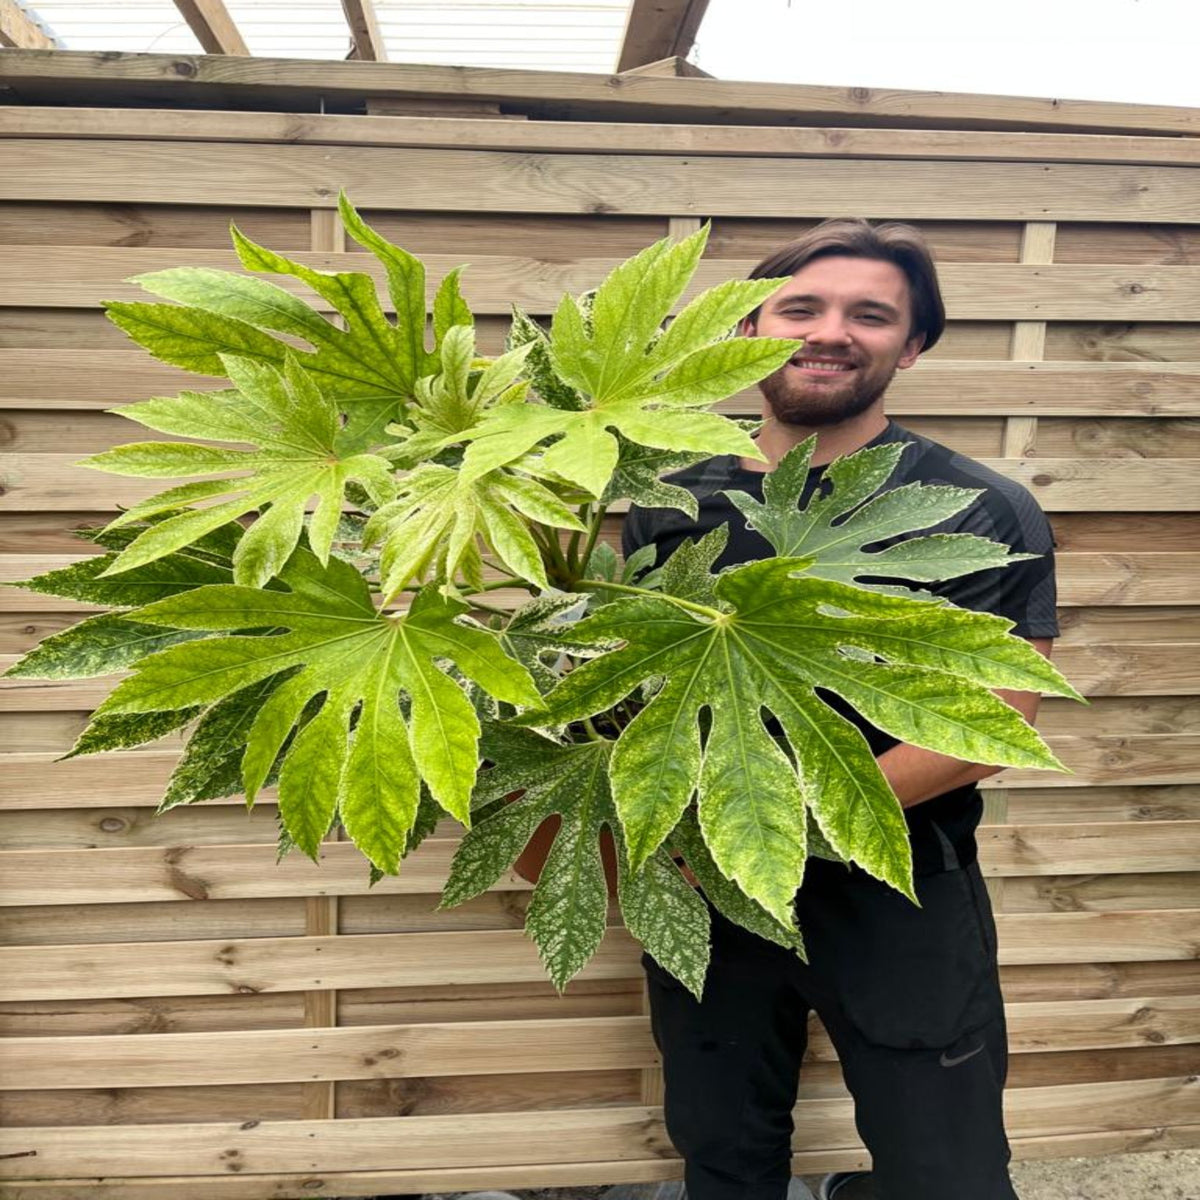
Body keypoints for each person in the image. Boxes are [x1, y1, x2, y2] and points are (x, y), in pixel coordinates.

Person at [621, 219, 1060, 1200]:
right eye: (803, 307)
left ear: (912, 346)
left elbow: (999, 715)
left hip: (895, 877)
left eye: (870, 315)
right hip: (707, 879)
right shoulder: (669, 499)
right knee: (722, 1154)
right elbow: (634, 679)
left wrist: (789, 828)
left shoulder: (975, 505)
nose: (831, 331)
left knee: (947, 1173)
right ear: (752, 328)